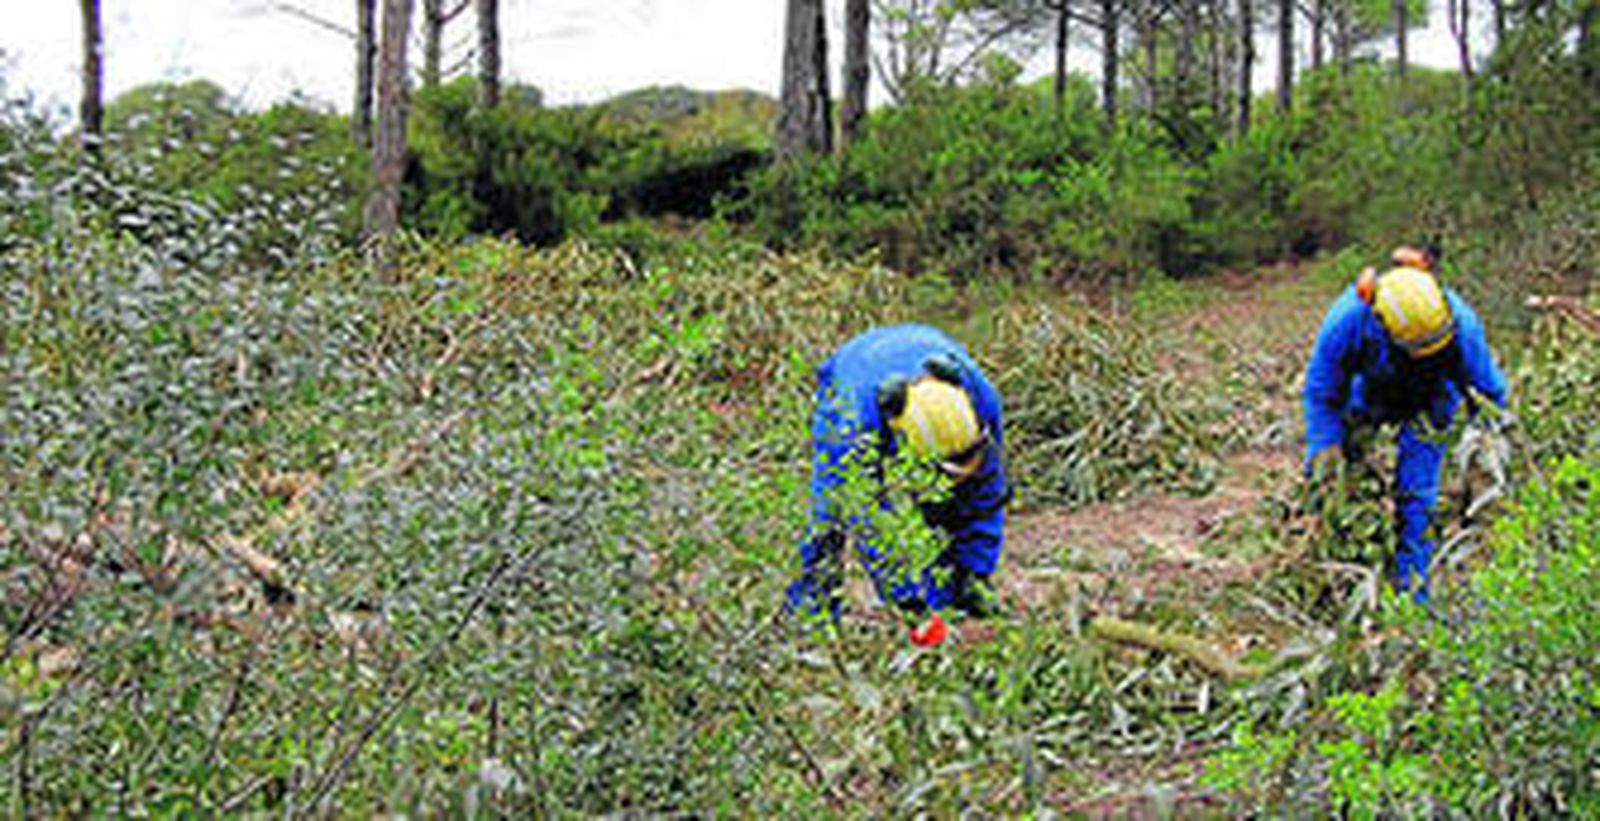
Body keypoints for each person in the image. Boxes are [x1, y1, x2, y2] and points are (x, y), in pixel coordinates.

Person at [1303, 245, 1509, 603]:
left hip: (1432, 402)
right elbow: (1322, 393)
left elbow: (1490, 397)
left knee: (1418, 499)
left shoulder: (1462, 325)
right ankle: (1333, 580)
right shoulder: (1348, 320)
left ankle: (1413, 597)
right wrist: (1325, 452)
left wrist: (1484, 461)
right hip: (1365, 395)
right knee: (1341, 484)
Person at [786, 324, 1010, 646]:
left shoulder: (981, 397)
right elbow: (867, 519)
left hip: (922, 340)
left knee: (963, 497)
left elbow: (988, 492)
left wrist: (976, 571)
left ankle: (960, 588)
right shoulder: (851, 428)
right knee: (830, 514)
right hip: (854, 372)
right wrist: (909, 603)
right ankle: (812, 615)